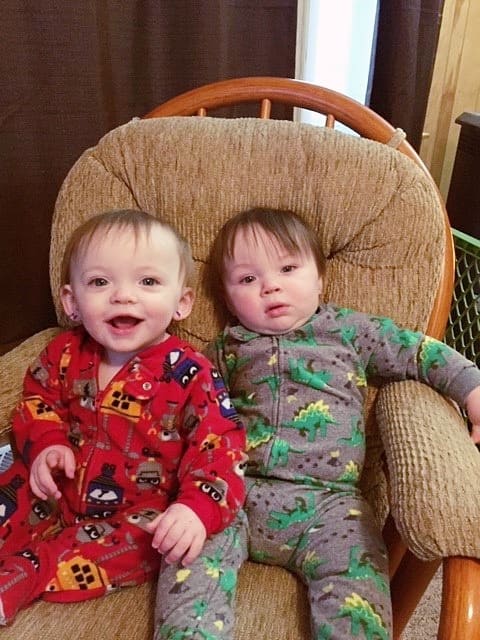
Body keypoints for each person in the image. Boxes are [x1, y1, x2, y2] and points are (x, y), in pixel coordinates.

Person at [206, 206, 480, 639]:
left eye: (288, 268)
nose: (270, 285)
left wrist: (472, 390)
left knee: (358, 591)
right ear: (227, 298)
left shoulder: (349, 330)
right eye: (247, 279)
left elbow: (419, 353)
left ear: (319, 279)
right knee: (189, 553)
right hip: (239, 490)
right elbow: (185, 401)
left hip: (331, 505)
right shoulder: (226, 346)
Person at [0, 209, 248, 635]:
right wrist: (47, 444)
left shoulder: (192, 372)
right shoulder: (63, 354)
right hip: (55, 487)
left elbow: (221, 446)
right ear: (72, 302)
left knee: (69, 555)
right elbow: (37, 402)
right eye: (100, 282)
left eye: (148, 282)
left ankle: (14, 583)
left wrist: (195, 509)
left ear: (181, 302)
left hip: (136, 517)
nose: (123, 296)